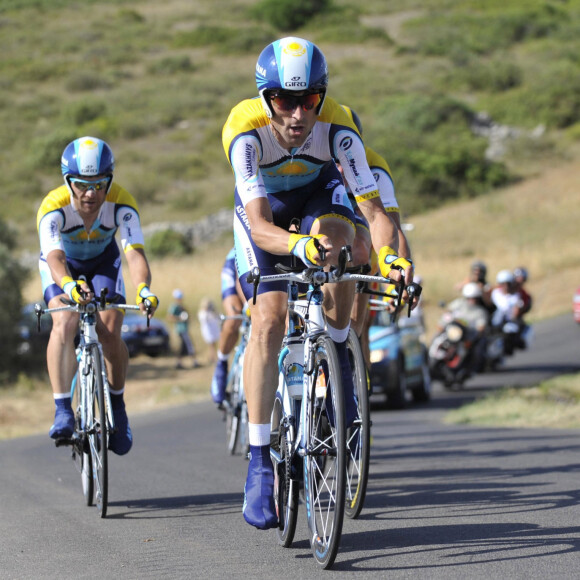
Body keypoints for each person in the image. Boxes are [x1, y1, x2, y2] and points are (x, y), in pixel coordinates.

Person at [222, 36, 414, 530]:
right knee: (267, 318)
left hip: (317, 197)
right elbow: (261, 225)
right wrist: (297, 247)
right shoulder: (245, 131)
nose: (297, 114)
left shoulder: (339, 129)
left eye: (309, 100)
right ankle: (261, 460)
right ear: (266, 99)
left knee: (340, 242)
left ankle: (338, 362)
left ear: (321, 97)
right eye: (284, 101)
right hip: (267, 215)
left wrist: (392, 258)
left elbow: (375, 213)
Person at [37, 136, 159, 455]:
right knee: (63, 323)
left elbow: (134, 254)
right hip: (63, 269)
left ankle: (117, 405)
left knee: (109, 333)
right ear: (68, 182)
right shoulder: (53, 206)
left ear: (110, 180)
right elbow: (54, 259)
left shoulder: (122, 202)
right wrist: (68, 286)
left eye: (100, 184)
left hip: (105, 262)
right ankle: (63, 408)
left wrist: (144, 288)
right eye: (81, 185)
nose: (91, 194)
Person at [210, 247, 246, 406]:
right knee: (234, 318)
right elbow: (242, 277)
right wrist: (248, 304)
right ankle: (221, 363)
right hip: (237, 266)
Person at [439, 282, 489, 373]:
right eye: (470, 298)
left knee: (478, 349)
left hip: (468, 336)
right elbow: (448, 311)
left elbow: (481, 326)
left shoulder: (480, 312)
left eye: (474, 298)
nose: (472, 300)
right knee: (438, 337)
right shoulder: (458, 304)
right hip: (454, 331)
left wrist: (476, 334)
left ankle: (472, 367)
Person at [167, 288, 200, 370]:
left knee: (183, 347)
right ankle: (194, 361)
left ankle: (179, 362)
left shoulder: (182, 307)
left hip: (184, 329)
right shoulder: (174, 307)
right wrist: (180, 318)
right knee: (189, 345)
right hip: (180, 330)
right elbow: (170, 317)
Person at [197, 297, 221, 364]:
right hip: (208, 331)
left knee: (213, 345)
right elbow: (204, 319)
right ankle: (212, 357)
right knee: (211, 345)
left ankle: (213, 357)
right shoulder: (203, 313)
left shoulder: (212, 312)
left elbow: (217, 318)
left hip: (213, 330)